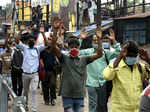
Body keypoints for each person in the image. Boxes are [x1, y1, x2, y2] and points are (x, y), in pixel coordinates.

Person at [52, 23, 103, 112]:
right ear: (68, 47)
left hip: (79, 95)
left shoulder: (84, 59)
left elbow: (99, 54)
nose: (74, 49)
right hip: (67, 94)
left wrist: (99, 39)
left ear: (79, 47)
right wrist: (55, 30)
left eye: (76, 47)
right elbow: (53, 46)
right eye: (71, 47)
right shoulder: (64, 58)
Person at [79, 28, 121, 112]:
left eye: (97, 39)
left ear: (101, 41)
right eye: (94, 40)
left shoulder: (105, 52)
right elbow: (75, 52)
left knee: (102, 105)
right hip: (91, 83)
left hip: (103, 82)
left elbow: (118, 52)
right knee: (93, 104)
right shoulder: (88, 52)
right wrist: (80, 39)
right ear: (91, 42)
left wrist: (114, 40)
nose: (95, 42)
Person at [103, 40, 150, 112]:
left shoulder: (140, 67)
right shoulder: (116, 65)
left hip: (137, 109)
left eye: (135, 56)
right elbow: (107, 76)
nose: (133, 58)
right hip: (120, 110)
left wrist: (148, 60)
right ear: (124, 54)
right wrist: (119, 57)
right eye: (130, 56)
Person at [16, 25, 47, 112]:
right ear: (27, 41)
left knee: (34, 90)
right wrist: (21, 31)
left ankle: (34, 109)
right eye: (30, 40)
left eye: (32, 39)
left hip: (34, 74)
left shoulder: (38, 49)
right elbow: (17, 41)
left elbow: (47, 44)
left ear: (34, 41)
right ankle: (25, 106)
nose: (31, 40)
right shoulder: (24, 48)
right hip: (25, 74)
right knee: (25, 92)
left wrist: (43, 33)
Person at [40, 36, 57, 106]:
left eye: (50, 41)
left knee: (53, 85)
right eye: (48, 41)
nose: (49, 42)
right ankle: (46, 99)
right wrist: (42, 65)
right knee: (45, 86)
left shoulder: (53, 50)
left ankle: (52, 99)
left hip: (53, 71)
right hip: (44, 71)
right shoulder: (42, 51)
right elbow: (40, 59)